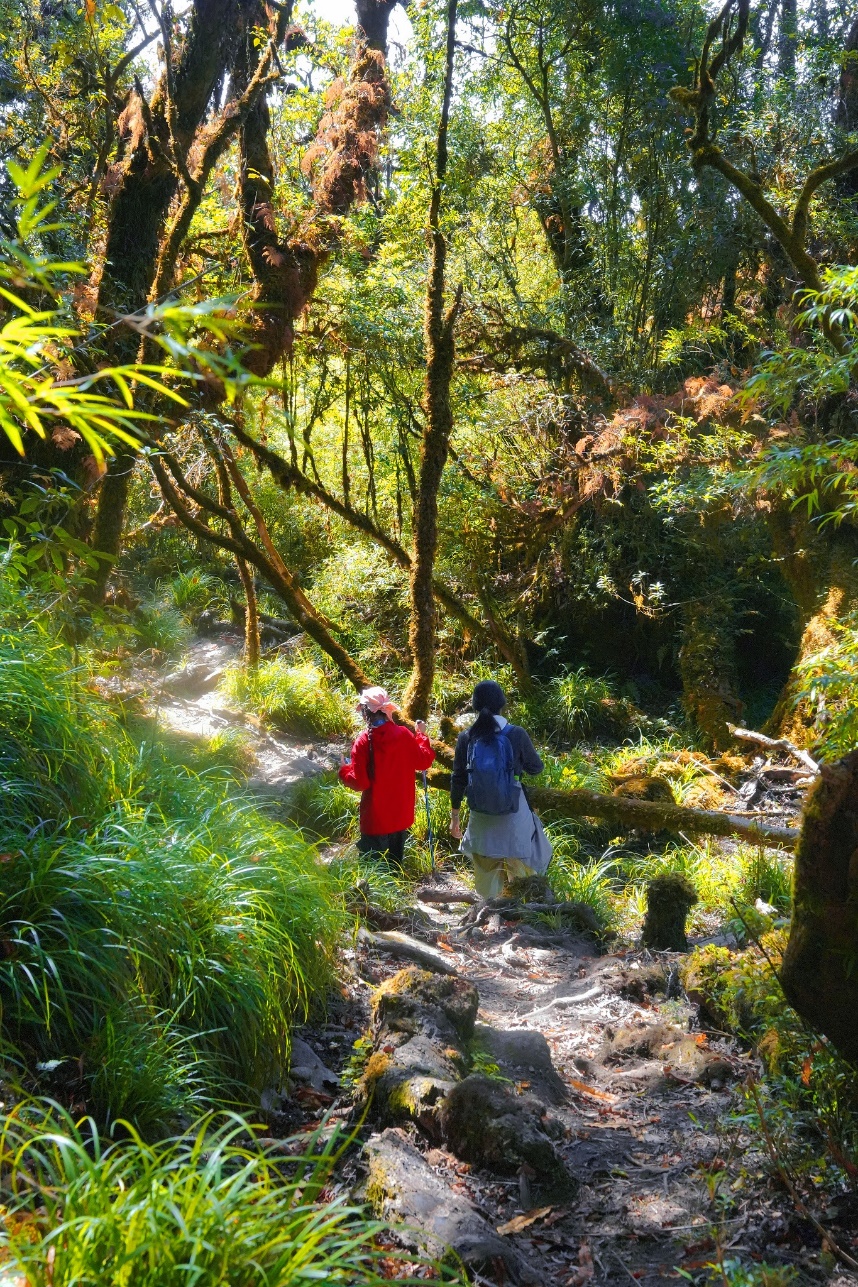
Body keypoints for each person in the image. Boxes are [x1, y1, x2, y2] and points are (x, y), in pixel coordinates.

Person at [449, 679, 551, 899]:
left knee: (486, 878)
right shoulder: (516, 734)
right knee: (522, 874)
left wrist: (455, 817)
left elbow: (458, 779)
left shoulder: (466, 737)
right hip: (514, 815)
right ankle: (520, 915)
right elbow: (536, 768)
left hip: (481, 819)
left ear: (475, 706)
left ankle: (488, 919)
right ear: (501, 703)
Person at [339, 686, 435, 868]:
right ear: (385, 710)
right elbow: (424, 761)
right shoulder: (404, 735)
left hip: (375, 820)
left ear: (365, 712)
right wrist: (421, 736)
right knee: (395, 867)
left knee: (373, 873)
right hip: (400, 817)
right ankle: (398, 895)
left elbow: (360, 783)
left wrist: (344, 771)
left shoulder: (363, 741)